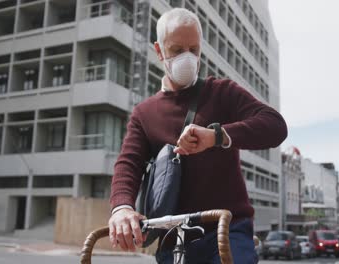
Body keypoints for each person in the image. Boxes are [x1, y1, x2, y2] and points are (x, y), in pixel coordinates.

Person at [108, 7, 287, 263]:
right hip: (174, 237)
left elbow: (275, 126)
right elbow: (128, 164)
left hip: (227, 230)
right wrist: (122, 208)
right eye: (178, 50)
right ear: (159, 51)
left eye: (194, 50)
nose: (188, 58)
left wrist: (218, 135)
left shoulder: (222, 92)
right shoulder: (143, 114)